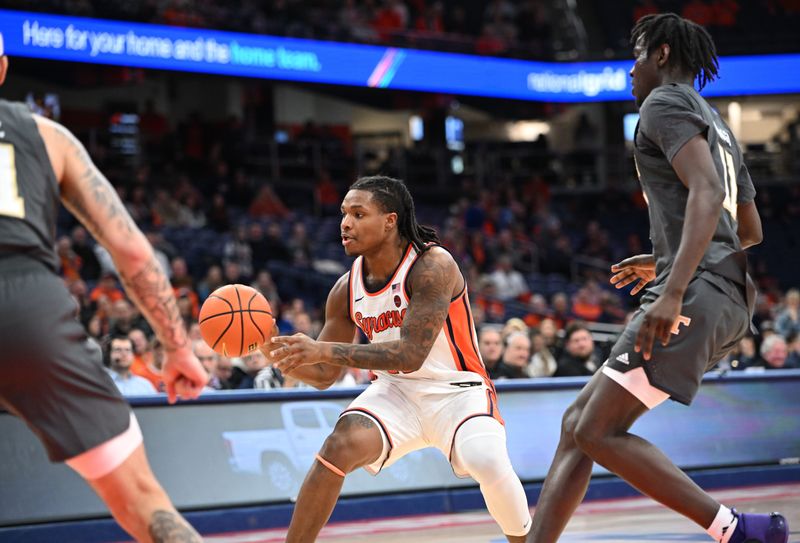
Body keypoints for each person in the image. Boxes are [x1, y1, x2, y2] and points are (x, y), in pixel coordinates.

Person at [527, 14, 787, 543]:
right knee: (578, 423)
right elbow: (750, 228)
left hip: (696, 293)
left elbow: (708, 195)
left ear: (662, 55)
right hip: (727, 291)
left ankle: (735, 530)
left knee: (596, 430)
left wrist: (671, 289)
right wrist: (664, 258)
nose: (630, 69)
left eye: (637, 54)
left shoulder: (663, 104)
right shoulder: (716, 122)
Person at [0, 40, 206, 542]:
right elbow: (132, 252)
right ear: (3, 68)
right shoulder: (48, 137)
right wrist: (178, 348)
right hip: (26, 310)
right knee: (143, 502)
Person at [269, 176, 531, 542]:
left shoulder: (433, 264)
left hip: (457, 389)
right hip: (395, 392)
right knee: (338, 446)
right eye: (344, 214)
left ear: (390, 220)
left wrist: (321, 349)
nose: (345, 223)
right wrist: (275, 350)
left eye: (359, 214)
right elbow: (325, 374)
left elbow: (410, 354)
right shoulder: (345, 288)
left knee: (485, 457)